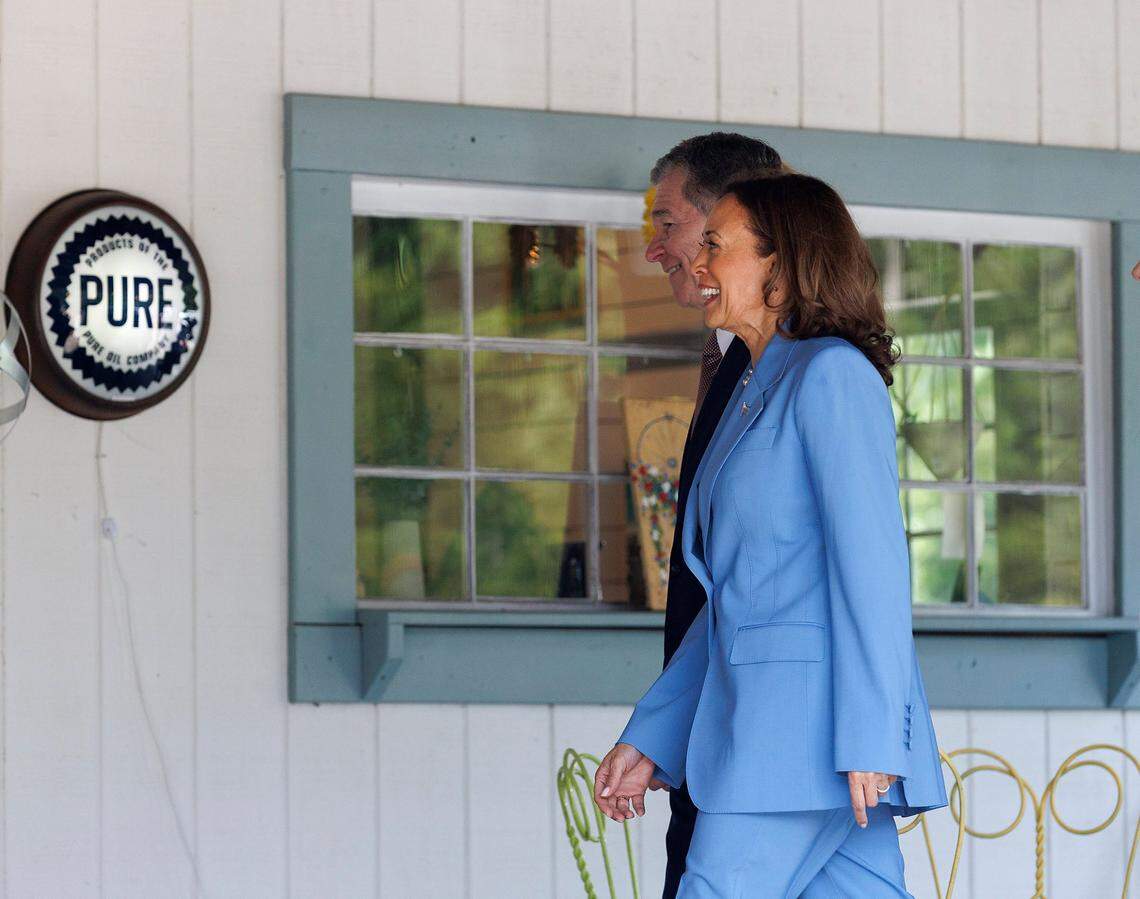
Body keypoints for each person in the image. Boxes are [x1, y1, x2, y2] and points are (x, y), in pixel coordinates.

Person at [595, 173, 949, 897]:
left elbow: (873, 571)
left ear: (780, 269)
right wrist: (655, 733)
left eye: (717, 246)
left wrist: (873, 737)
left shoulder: (832, 376)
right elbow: (738, 600)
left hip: (802, 743)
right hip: (780, 735)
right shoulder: (756, 386)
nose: (699, 263)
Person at [641, 132, 784, 898]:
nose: (660, 251)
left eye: (672, 225)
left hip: (763, 748)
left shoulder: (806, 369)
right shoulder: (734, 360)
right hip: (713, 736)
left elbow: (851, 570)